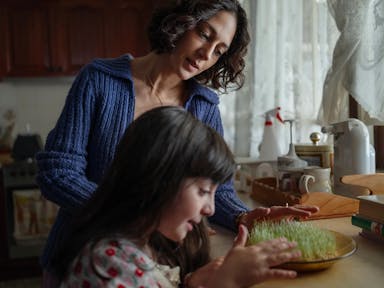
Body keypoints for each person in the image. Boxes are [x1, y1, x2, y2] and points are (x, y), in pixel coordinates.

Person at [36, 0, 319, 285]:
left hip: (159, 267)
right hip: (84, 259)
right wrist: (142, 217)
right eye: (205, 35)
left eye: (219, 51)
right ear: (178, 22)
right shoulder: (100, 80)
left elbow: (215, 191)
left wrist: (241, 217)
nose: (206, 54)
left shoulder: (205, 105)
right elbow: (58, 174)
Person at [52, 106, 302, 287]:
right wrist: (225, 283)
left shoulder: (143, 248)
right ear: (158, 179)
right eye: (203, 191)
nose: (210, 210)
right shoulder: (108, 267)